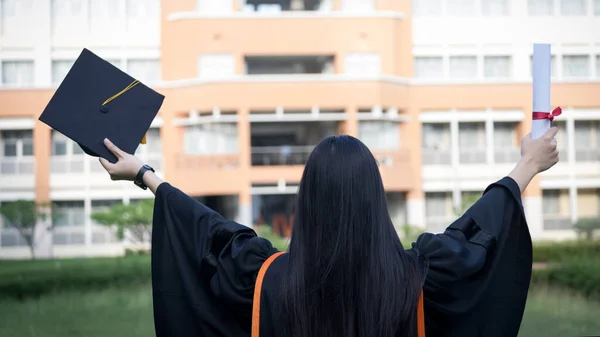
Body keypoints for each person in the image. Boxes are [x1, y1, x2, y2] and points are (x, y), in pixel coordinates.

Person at [99, 127, 559, 337]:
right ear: (375, 197)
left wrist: (146, 174)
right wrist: (527, 166)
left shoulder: (263, 280)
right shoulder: (419, 278)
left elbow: (208, 233)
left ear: (308, 199)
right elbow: (477, 233)